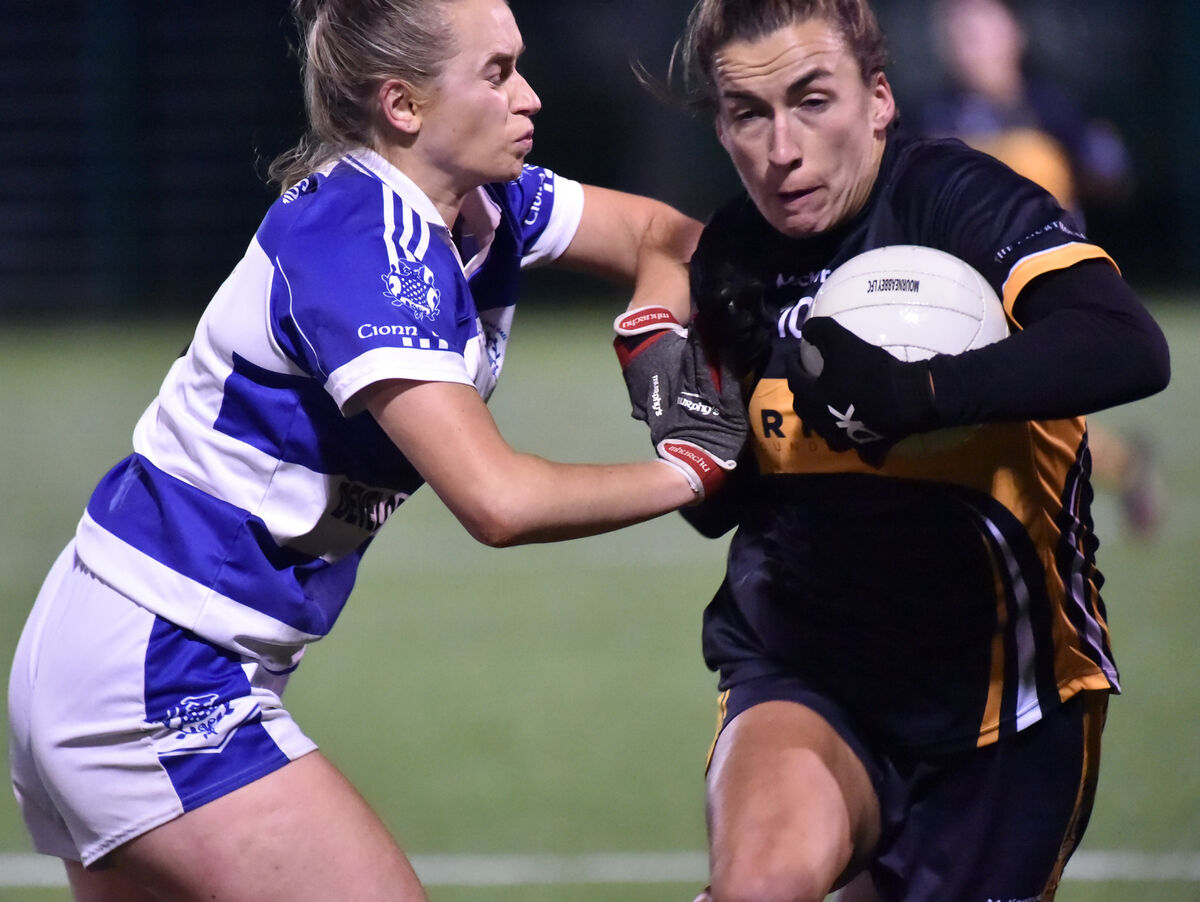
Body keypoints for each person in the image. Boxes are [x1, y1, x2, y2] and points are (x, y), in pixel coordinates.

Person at [6, 1, 747, 900]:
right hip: (157, 664)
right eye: (498, 72)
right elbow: (498, 501)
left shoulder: (488, 203)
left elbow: (661, 236)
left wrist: (659, 319)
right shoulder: (362, 245)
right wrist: (696, 467)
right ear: (403, 106)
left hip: (133, 653)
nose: (532, 97)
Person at [629, 0, 1170, 899]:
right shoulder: (733, 257)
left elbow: (1125, 343)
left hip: (1010, 701)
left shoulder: (959, 199)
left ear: (879, 99)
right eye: (747, 114)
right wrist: (673, 402)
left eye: (812, 100)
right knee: (759, 885)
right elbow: (719, 504)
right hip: (805, 668)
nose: (781, 148)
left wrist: (920, 395)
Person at [913, 0, 1162, 536]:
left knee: (1019, 413)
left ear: (1013, 36)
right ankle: (1122, 467)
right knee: (1005, 415)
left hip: (1041, 287)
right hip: (964, 289)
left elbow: (1110, 176)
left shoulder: (1051, 112)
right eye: (957, 32)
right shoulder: (935, 118)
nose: (967, 42)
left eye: (980, 29)